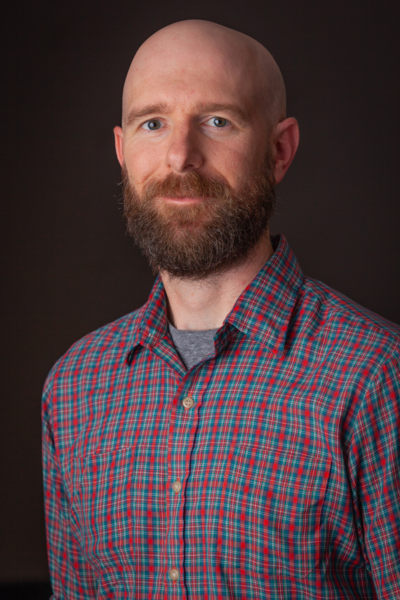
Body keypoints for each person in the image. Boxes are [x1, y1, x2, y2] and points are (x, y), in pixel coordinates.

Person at [42, 19, 400, 599]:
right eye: (152, 124)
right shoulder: (73, 387)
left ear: (279, 149)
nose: (181, 157)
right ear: (122, 151)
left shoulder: (377, 377)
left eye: (217, 121)